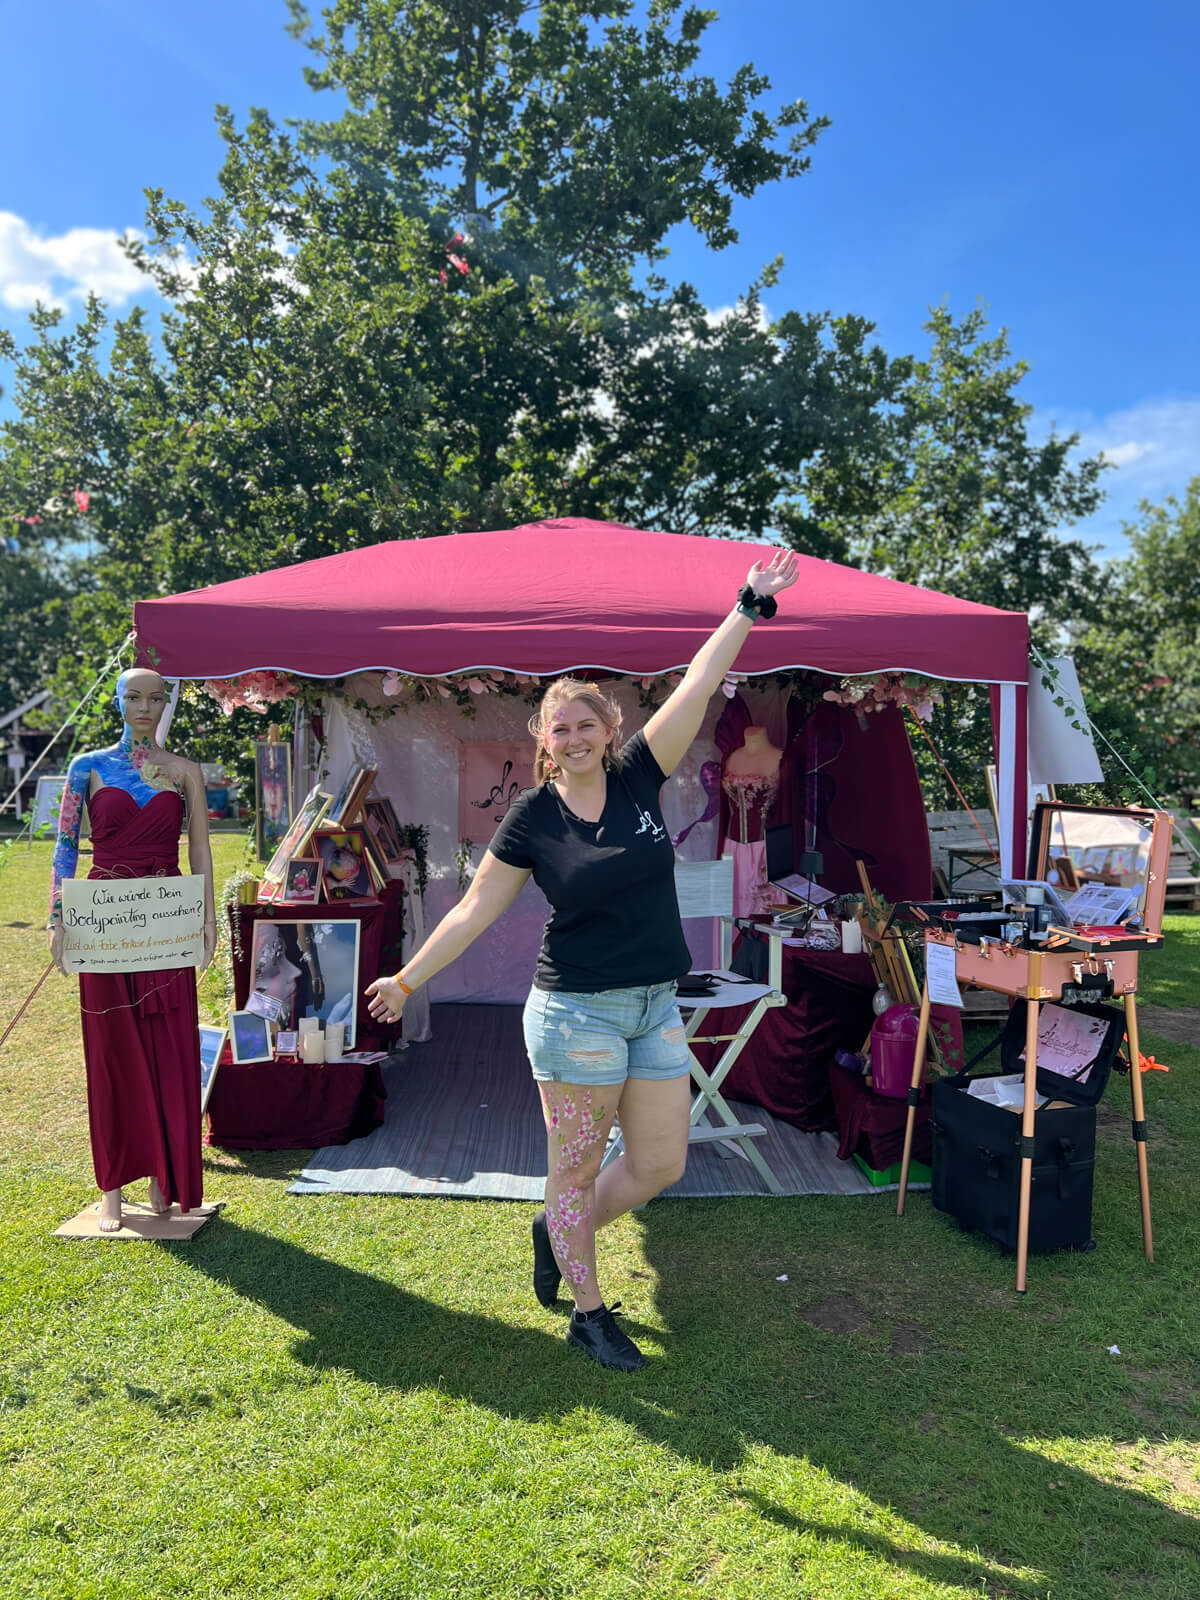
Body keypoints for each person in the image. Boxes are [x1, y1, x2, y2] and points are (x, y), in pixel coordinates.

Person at [366, 551, 799, 1370]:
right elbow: (472, 906)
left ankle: (552, 1230)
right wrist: (408, 975)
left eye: (585, 723)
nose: (572, 736)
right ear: (543, 740)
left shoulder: (640, 778)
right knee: (572, 1168)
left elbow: (699, 684)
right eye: (557, 727)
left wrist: (748, 605)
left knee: (661, 1162)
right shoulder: (532, 818)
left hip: (653, 1006)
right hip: (575, 1017)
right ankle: (588, 1312)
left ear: (611, 731)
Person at [47, 668, 217, 1232]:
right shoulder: (87, 767)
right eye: (133, 696)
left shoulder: (184, 771)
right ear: (118, 701)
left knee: (167, 1046)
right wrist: (57, 919)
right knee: (111, 1049)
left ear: (166, 703)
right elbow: (66, 846)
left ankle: (162, 1178)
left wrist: (206, 919)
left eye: (155, 698)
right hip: (104, 924)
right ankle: (112, 1186)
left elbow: (199, 850)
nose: (144, 707)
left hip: (165, 922)